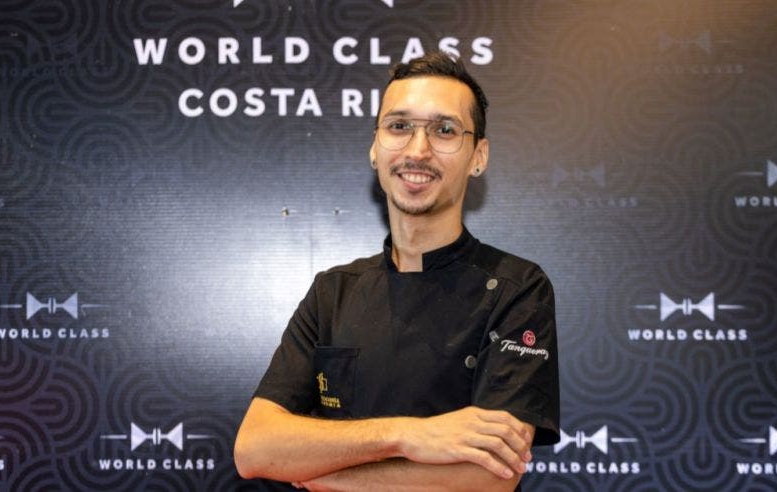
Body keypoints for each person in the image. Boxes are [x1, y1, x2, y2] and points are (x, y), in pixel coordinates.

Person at [234, 51, 559, 491]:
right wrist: (411, 436)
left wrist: (323, 473)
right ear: (374, 147)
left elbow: (488, 475)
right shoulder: (332, 291)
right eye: (399, 126)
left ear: (478, 156)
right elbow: (256, 448)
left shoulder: (517, 289)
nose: (418, 150)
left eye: (444, 130)